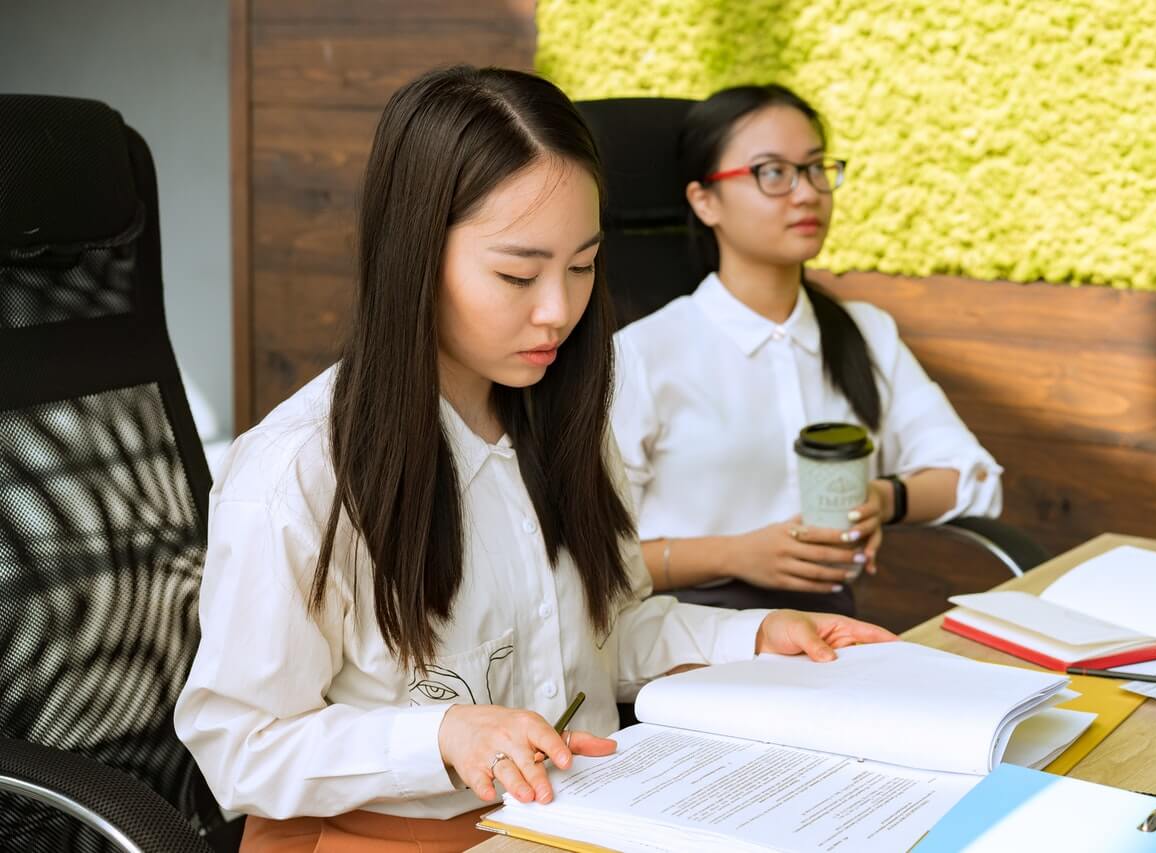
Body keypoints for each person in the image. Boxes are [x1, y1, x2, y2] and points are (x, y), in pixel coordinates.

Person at [173, 66, 896, 853]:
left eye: (582, 266)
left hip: (575, 817)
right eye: (517, 274)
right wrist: (442, 735)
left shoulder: (563, 413)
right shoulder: (300, 470)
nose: (559, 310)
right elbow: (238, 747)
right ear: (415, 256)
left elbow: (604, 633)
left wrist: (752, 637)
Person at [611, 83, 1003, 617]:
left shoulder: (864, 333)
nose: (806, 193)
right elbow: (591, 562)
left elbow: (973, 478)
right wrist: (737, 555)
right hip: (680, 641)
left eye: (816, 168)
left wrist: (883, 500)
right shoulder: (643, 354)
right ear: (704, 200)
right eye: (772, 173)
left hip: (830, 636)